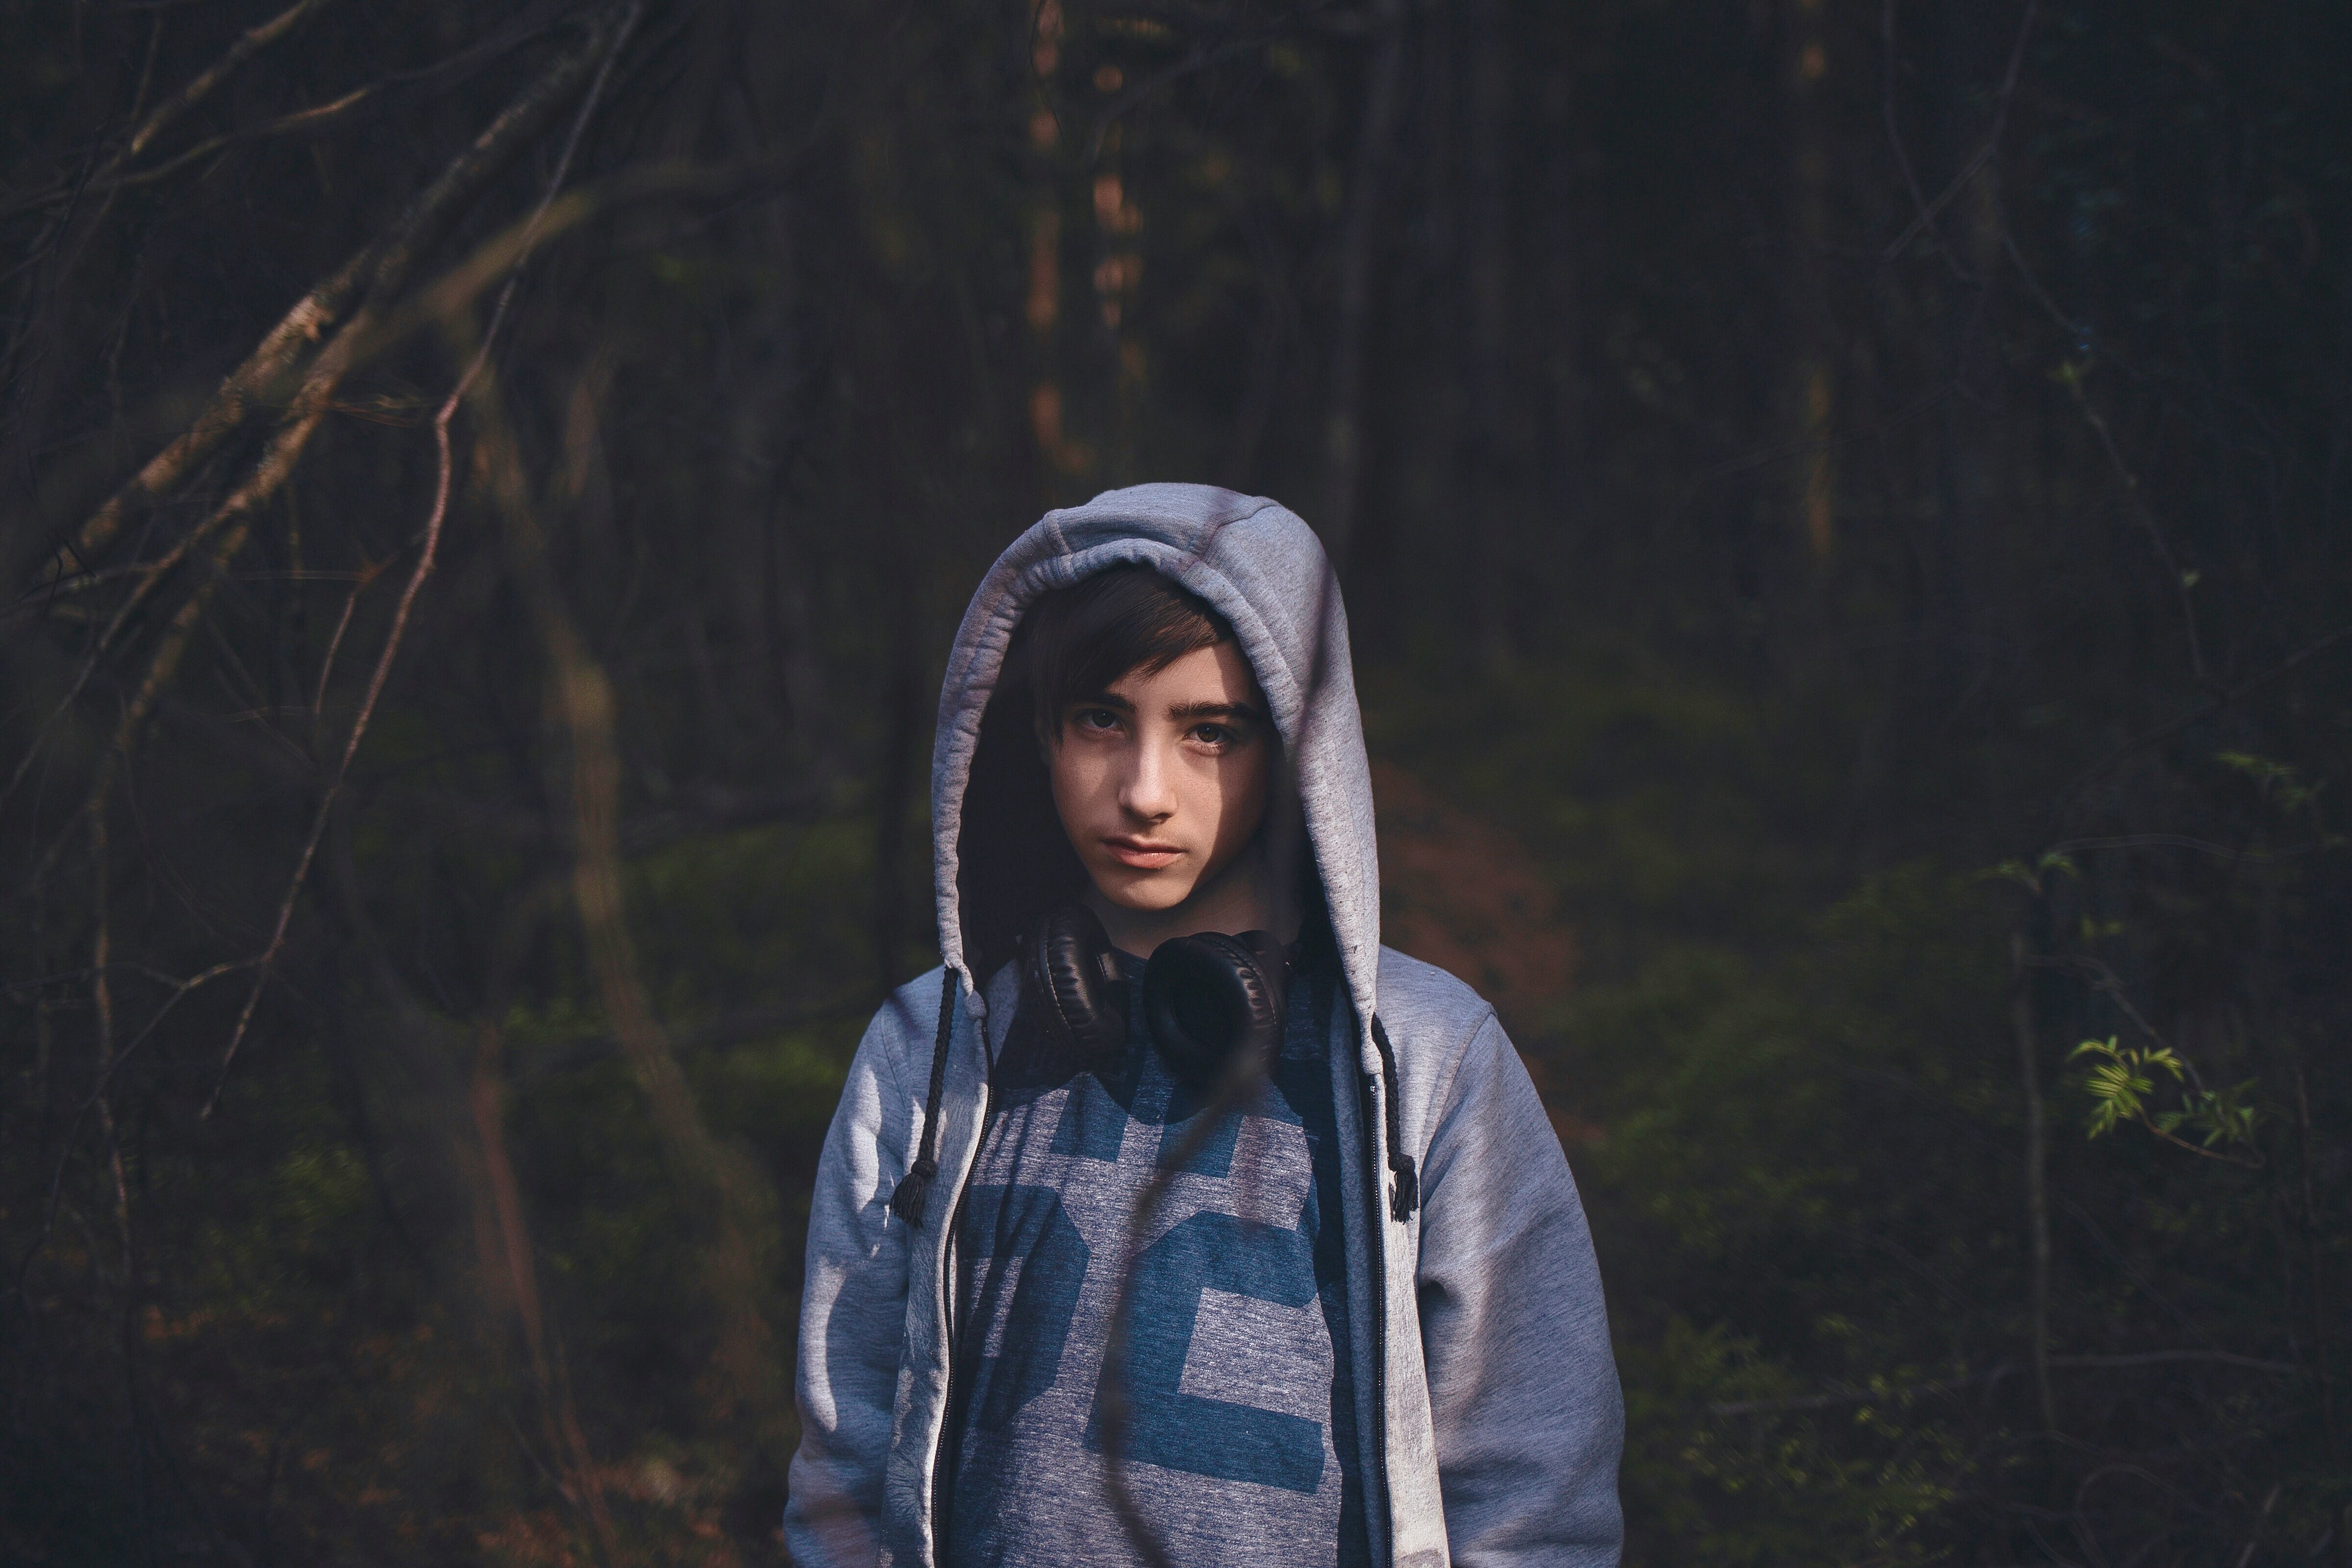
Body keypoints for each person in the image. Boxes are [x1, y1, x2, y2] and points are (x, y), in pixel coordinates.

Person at [785, 484, 1623, 1567]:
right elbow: (843, 1461)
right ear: (1033, 734)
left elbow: (1533, 1490)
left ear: (1296, 753)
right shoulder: (931, 1046)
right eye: (1101, 719)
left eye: (1210, 734)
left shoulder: (1425, 1060)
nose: (1145, 790)